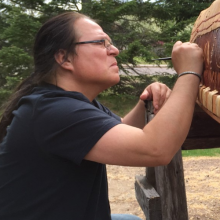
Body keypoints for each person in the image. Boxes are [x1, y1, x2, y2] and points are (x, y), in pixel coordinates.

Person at [0, 12, 203, 220]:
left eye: (111, 43)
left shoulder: (68, 103)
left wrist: (146, 103)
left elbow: (121, 129)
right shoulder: (54, 111)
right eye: (101, 43)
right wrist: (189, 73)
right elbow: (156, 149)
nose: (114, 50)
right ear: (64, 58)